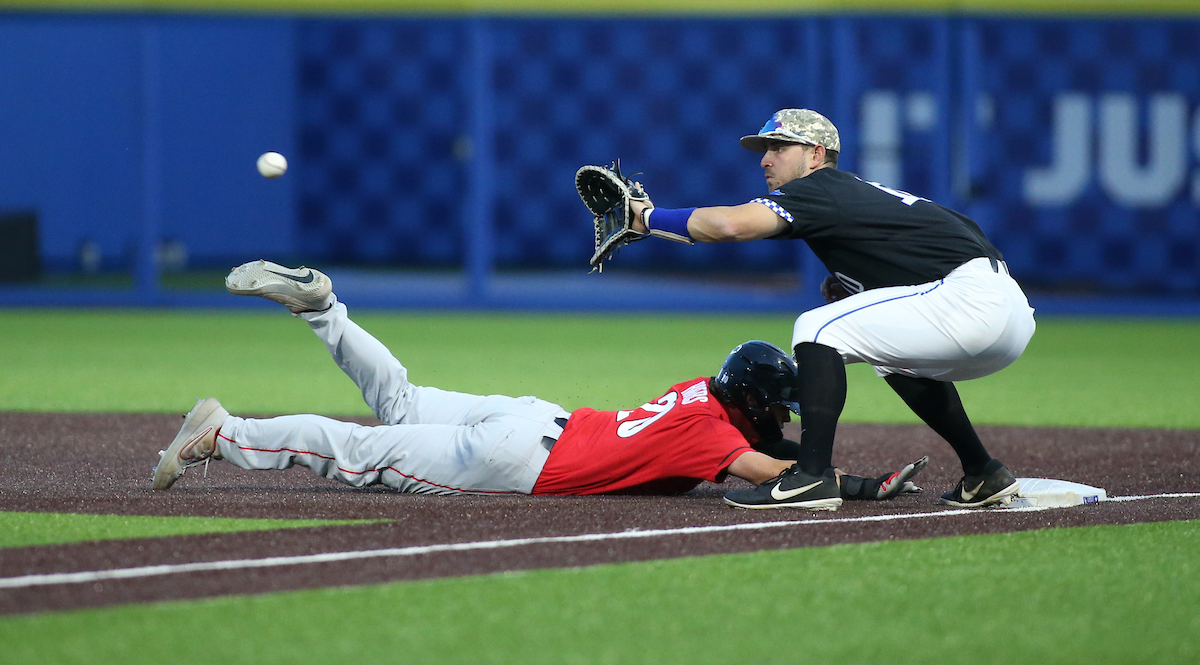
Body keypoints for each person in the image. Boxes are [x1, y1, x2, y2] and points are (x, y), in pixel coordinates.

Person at [152, 260, 927, 508]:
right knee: (360, 449)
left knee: (400, 402)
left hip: (536, 419)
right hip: (522, 461)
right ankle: (224, 434)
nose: (779, 419)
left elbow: (760, 433)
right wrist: (860, 485)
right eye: (777, 407)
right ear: (754, 402)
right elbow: (785, 473)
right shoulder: (712, 435)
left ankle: (325, 311)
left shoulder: (702, 392)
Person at [627, 109, 1036, 510]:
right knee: (890, 357)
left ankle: (811, 476)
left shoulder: (818, 187)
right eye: (765, 149)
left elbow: (730, 226)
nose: (767, 158)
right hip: (1007, 310)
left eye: (781, 146)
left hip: (972, 301)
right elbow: (949, 241)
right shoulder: (856, 194)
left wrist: (648, 218)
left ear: (816, 155)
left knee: (817, 328)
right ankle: (983, 471)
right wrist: (863, 284)